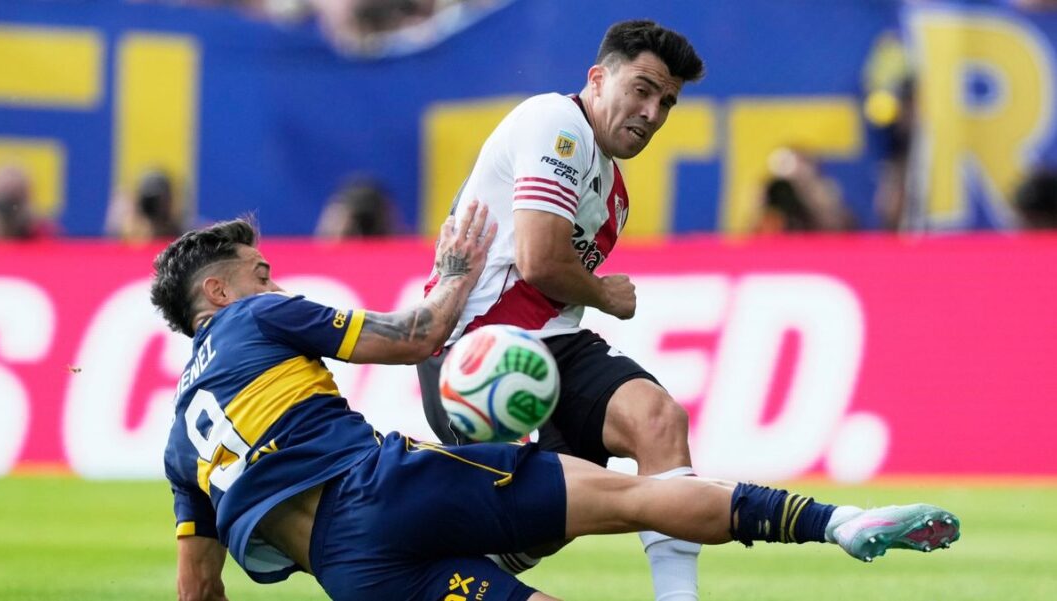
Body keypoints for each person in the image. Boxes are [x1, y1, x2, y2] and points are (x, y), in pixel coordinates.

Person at [152, 205, 960, 601]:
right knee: (637, 492)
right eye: (262, 272)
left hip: (353, 575)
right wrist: (460, 270)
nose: (275, 281)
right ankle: (836, 522)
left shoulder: (178, 448)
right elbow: (413, 335)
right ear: (218, 291)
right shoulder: (257, 316)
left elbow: (198, 588)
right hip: (389, 486)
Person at [414, 19, 707, 598]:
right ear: (597, 79)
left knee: (658, 421)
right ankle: (432, 574)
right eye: (642, 90)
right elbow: (541, 261)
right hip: (480, 351)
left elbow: (549, 277)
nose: (653, 112)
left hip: (554, 343)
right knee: (556, 508)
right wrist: (606, 295)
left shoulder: (613, 191)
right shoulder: (557, 122)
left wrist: (588, 295)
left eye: (667, 102)